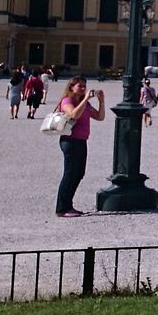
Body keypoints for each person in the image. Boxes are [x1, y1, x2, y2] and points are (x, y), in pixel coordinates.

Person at [53, 77, 106, 217]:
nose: (83, 88)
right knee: (70, 173)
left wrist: (101, 102)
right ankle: (62, 208)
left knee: (79, 173)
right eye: (80, 86)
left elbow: (100, 117)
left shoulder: (85, 104)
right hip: (70, 141)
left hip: (81, 141)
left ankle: (68, 205)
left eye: (84, 86)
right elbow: (73, 115)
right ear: (72, 87)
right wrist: (85, 99)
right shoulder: (67, 101)